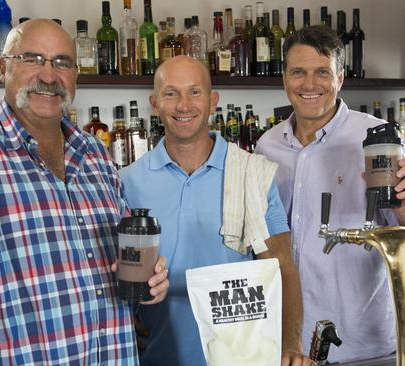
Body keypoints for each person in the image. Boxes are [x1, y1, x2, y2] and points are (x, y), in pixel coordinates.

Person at [0, 19, 169, 365]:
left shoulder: (96, 155)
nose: (49, 76)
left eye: (62, 62)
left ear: (76, 75)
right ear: (3, 68)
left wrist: (147, 282)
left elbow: (121, 264)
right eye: (32, 59)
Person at [255, 26, 405, 363]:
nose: (310, 84)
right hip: (290, 342)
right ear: (284, 78)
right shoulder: (266, 147)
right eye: (299, 72)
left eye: (322, 72)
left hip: (362, 341)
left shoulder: (375, 138)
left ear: (340, 78)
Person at [119, 55, 312, 366]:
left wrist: (290, 344)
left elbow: (282, 268)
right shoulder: (127, 182)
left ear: (213, 101)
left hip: (242, 359)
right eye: (171, 93)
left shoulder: (251, 173)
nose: (184, 105)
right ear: (155, 104)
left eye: (195, 92)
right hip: (156, 357)